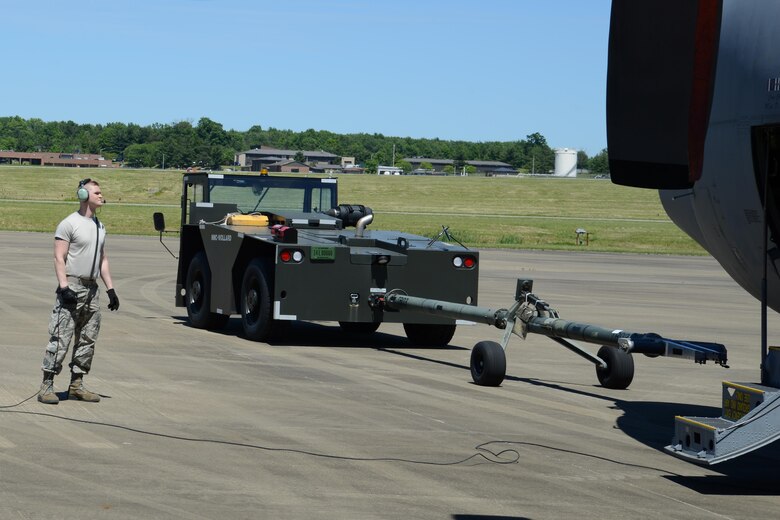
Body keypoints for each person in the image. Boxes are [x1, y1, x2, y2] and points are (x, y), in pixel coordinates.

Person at [37, 178, 119, 404]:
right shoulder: (69, 224)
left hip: (92, 290)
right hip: (72, 287)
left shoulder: (100, 226)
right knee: (61, 338)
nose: (101, 196)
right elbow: (59, 257)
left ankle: (76, 385)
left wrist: (111, 289)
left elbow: (102, 259)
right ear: (83, 195)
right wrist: (64, 287)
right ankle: (46, 386)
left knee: (87, 339)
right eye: (97, 192)